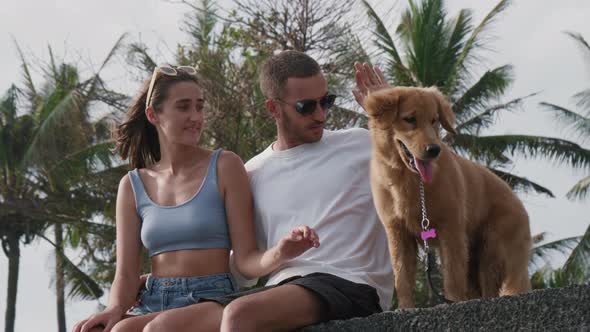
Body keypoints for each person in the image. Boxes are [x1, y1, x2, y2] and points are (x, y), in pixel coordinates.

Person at [133, 51, 395, 332]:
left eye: (326, 101)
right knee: (161, 328)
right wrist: (158, 278)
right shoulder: (253, 171)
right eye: (306, 106)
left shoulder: (361, 143)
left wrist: (395, 118)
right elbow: (243, 266)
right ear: (273, 108)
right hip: (281, 289)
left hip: (352, 283)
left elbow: (433, 174)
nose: (320, 114)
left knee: (240, 315)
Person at [72, 65, 320, 332]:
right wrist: (113, 309)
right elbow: (126, 273)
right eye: (183, 107)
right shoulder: (132, 185)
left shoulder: (225, 166)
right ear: (153, 114)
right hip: (154, 298)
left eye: (199, 107)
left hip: (212, 296)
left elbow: (246, 260)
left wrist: (280, 252)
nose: (195, 117)